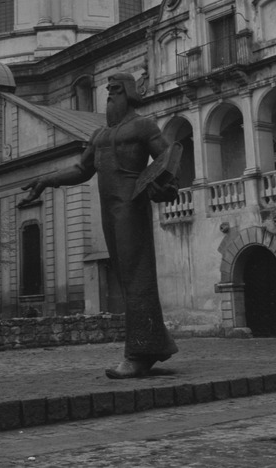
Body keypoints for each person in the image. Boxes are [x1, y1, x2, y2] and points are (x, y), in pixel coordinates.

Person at [20, 72, 179, 379]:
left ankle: (137, 355)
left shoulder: (143, 126)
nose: (110, 96)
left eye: (116, 91)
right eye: (108, 91)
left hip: (132, 205)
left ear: (130, 94)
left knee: (137, 277)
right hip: (110, 210)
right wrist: (46, 180)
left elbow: (169, 159)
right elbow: (81, 169)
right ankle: (153, 345)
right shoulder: (99, 136)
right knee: (127, 277)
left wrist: (167, 187)